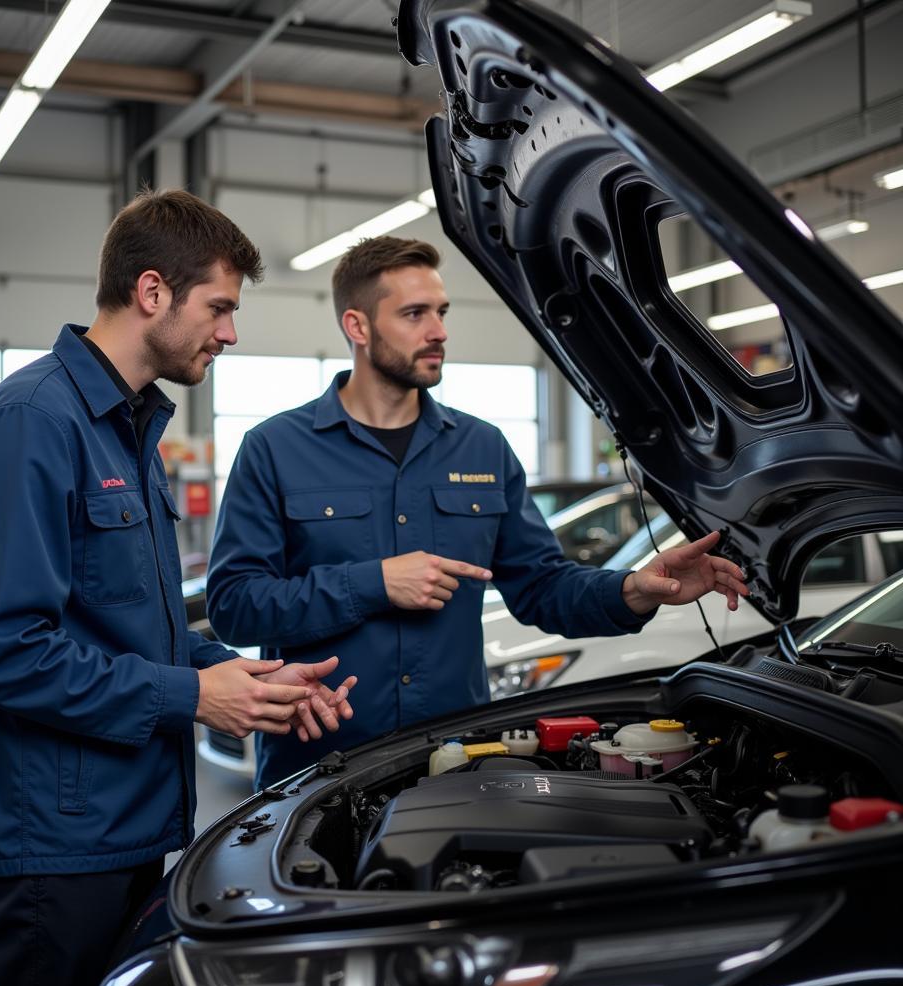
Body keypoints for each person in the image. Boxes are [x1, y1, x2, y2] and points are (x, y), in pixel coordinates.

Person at [0, 189, 355, 986]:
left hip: (125, 826)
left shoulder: (126, 431)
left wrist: (243, 679)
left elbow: (129, 627)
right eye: (220, 307)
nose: (230, 333)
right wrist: (194, 698)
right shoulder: (32, 424)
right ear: (153, 292)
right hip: (52, 849)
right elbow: (5, 650)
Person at [206, 236, 749, 790]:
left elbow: (541, 586)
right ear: (358, 326)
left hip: (453, 760)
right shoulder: (275, 448)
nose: (438, 330)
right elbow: (233, 605)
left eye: (441, 312)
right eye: (414, 314)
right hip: (317, 767)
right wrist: (373, 584)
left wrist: (635, 589)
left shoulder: (482, 448)